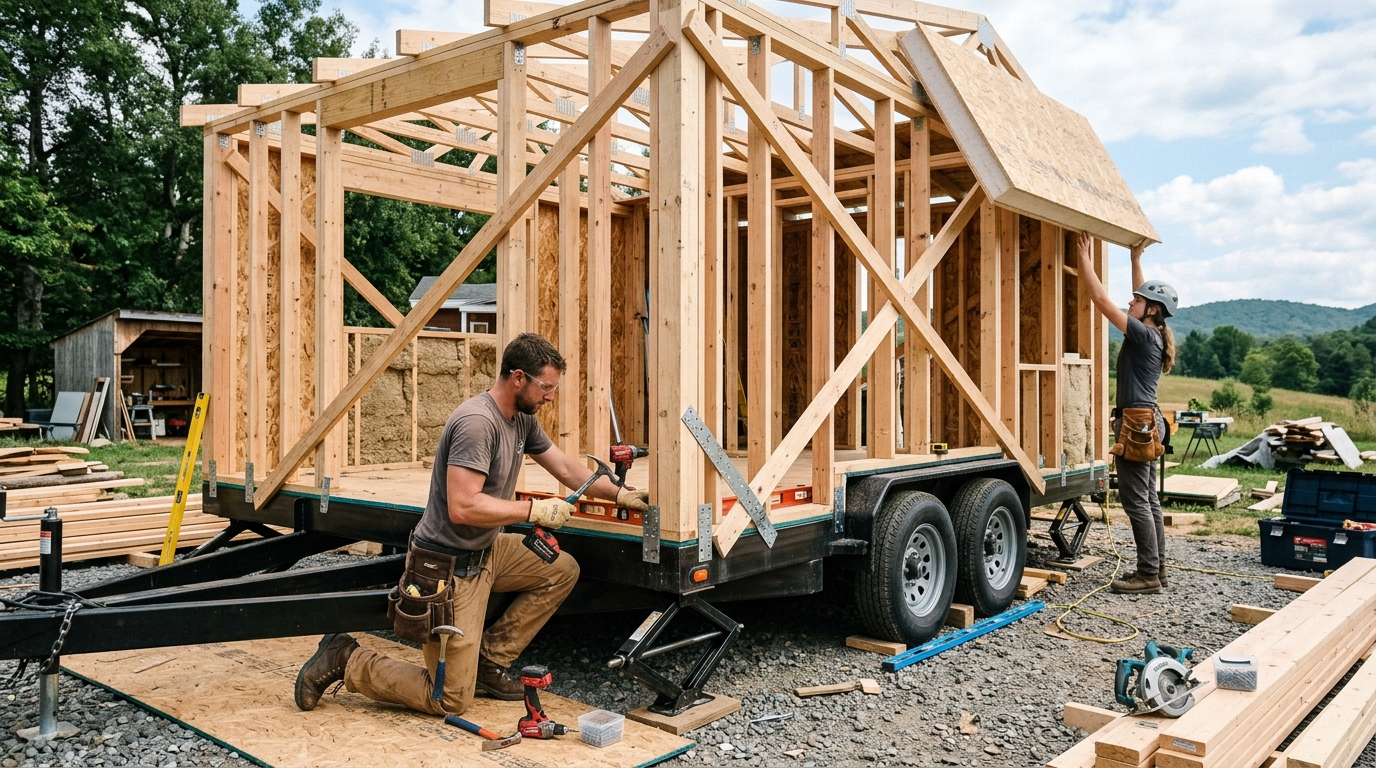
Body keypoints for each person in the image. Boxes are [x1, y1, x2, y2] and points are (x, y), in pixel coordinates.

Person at [293, 332, 650, 715]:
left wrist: (619, 493)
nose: (550, 396)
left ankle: (487, 662)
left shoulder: (520, 420)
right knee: (447, 699)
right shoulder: (477, 423)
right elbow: (462, 507)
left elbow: (564, 466)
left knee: (560, 570)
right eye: (545, 387)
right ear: (517, 378)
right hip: (447, 565)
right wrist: (532, 512)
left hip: (486, 550)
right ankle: (346, 658)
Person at [1075, 233, 1177, 595]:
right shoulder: (1154, 333)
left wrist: (1084, 257)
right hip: (1148, 422)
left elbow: (1101, 300)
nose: (1130, 302)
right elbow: (1142, 293)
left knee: (1137, 502)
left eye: (1137, 301)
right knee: (1149, 499)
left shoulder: (1142, 336)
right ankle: (1158, 570)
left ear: (1150, 310)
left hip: (1136, 425)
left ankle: (1148, 574)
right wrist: (1135, 259)